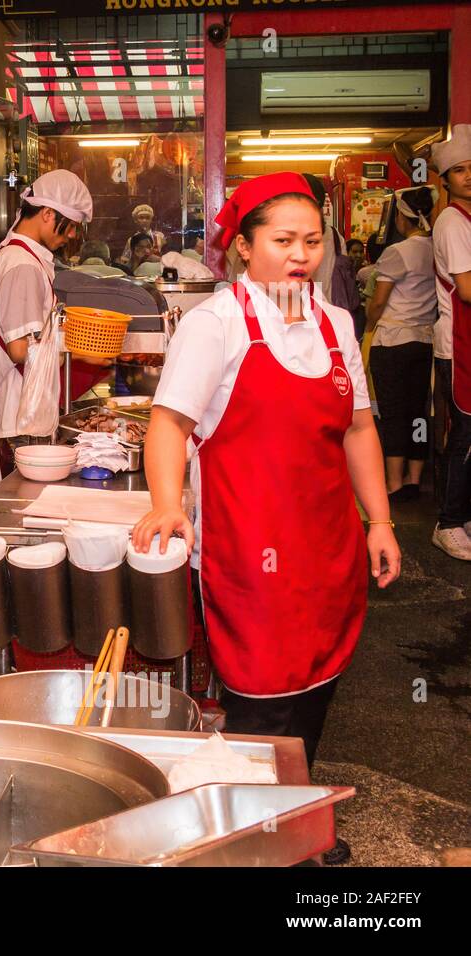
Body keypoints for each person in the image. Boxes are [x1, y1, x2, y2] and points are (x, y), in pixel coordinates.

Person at [134, 171, 400, 771]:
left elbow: (359, 427)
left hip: (329, 549)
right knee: (259, 706)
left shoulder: (336, 324)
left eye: (312, 241)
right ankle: (262, 834)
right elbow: (169, 425)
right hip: (250, 555)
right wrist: (168, 502)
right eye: (283, 241)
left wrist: (379, 520)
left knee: (318, 690)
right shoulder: (216, 324)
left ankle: (293, 813)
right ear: (245, 248)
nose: (301, 255)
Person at [0, 170, 96, 460]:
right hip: (26, 419)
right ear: (47, 213)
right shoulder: (23, 266)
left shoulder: (24, 258)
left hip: (31, 413)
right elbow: (21, 350)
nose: (72, 235)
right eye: (70, 226)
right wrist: (82, 352)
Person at [366, 185, 437, 503]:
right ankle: (414, 478)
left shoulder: (397, 252)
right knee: (417, 410)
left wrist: (368, 325)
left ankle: (393, 482)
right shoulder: (435, 247)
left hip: (393, 341)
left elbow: (378, 302)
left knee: (394, 413)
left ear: (402, 218)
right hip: (424, 339)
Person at [431, 125, 471, 560]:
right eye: (459, 170)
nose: (469, 176)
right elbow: (467, 289)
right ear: (445, 180)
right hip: (458, 346)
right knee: (466, 433)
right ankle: (448, 522)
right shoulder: (451, 221)